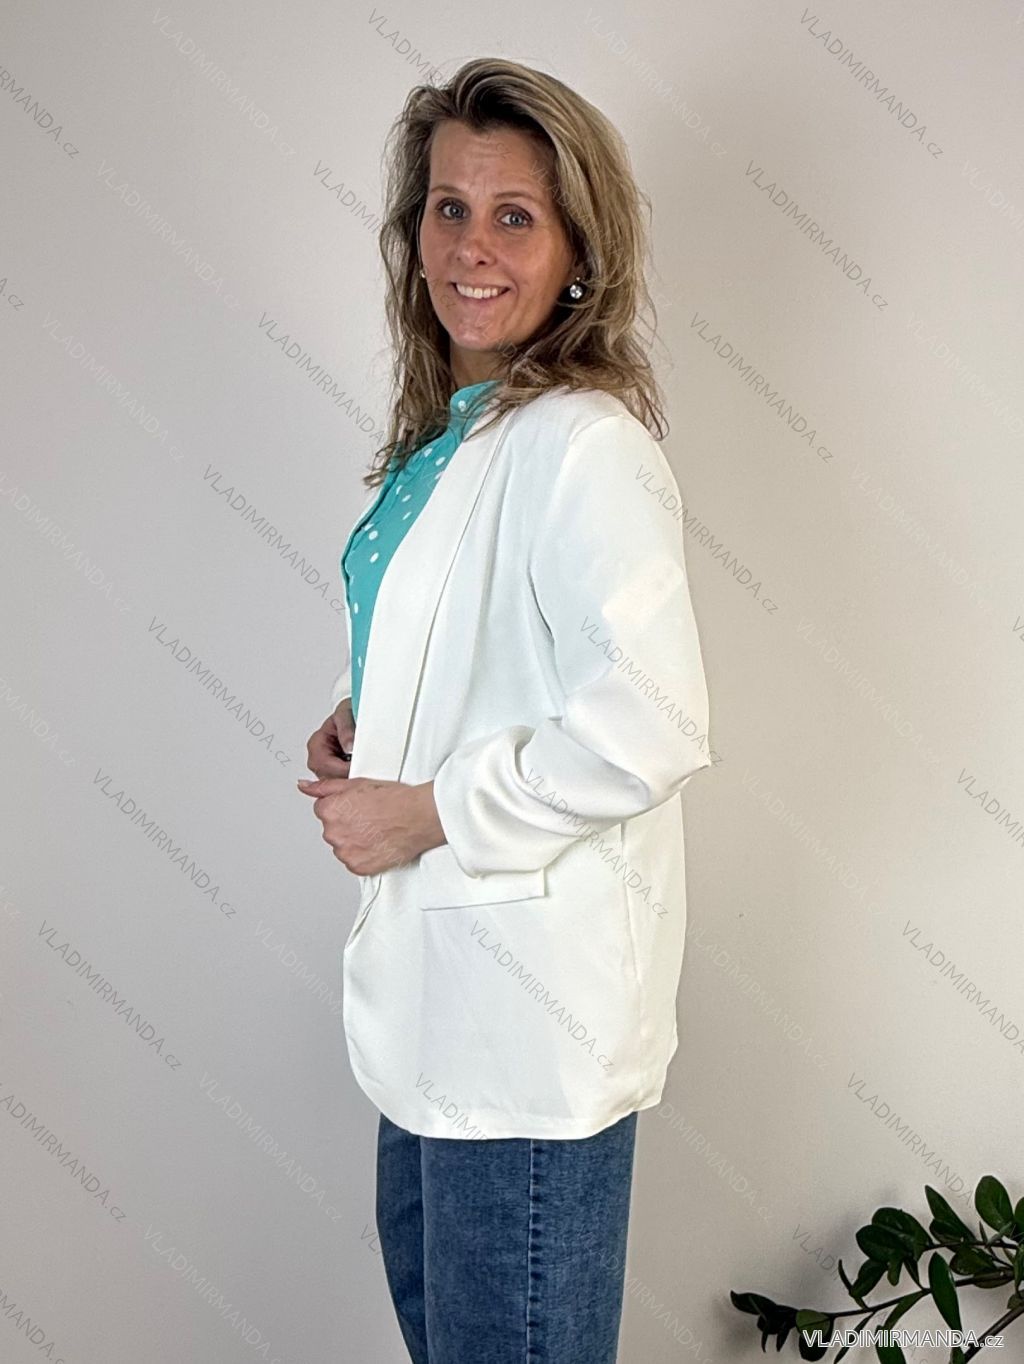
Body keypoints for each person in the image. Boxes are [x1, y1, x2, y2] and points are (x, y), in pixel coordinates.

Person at [297, 56, 713, 1364]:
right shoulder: (463, 435)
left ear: (580, 252)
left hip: (527, 1037)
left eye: (514, 216)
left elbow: (649, 723)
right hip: (433, 1022)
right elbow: (495, 650)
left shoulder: (588, 445)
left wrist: (423, 810)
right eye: (448, 208)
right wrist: (373, 716)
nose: (470, 246)